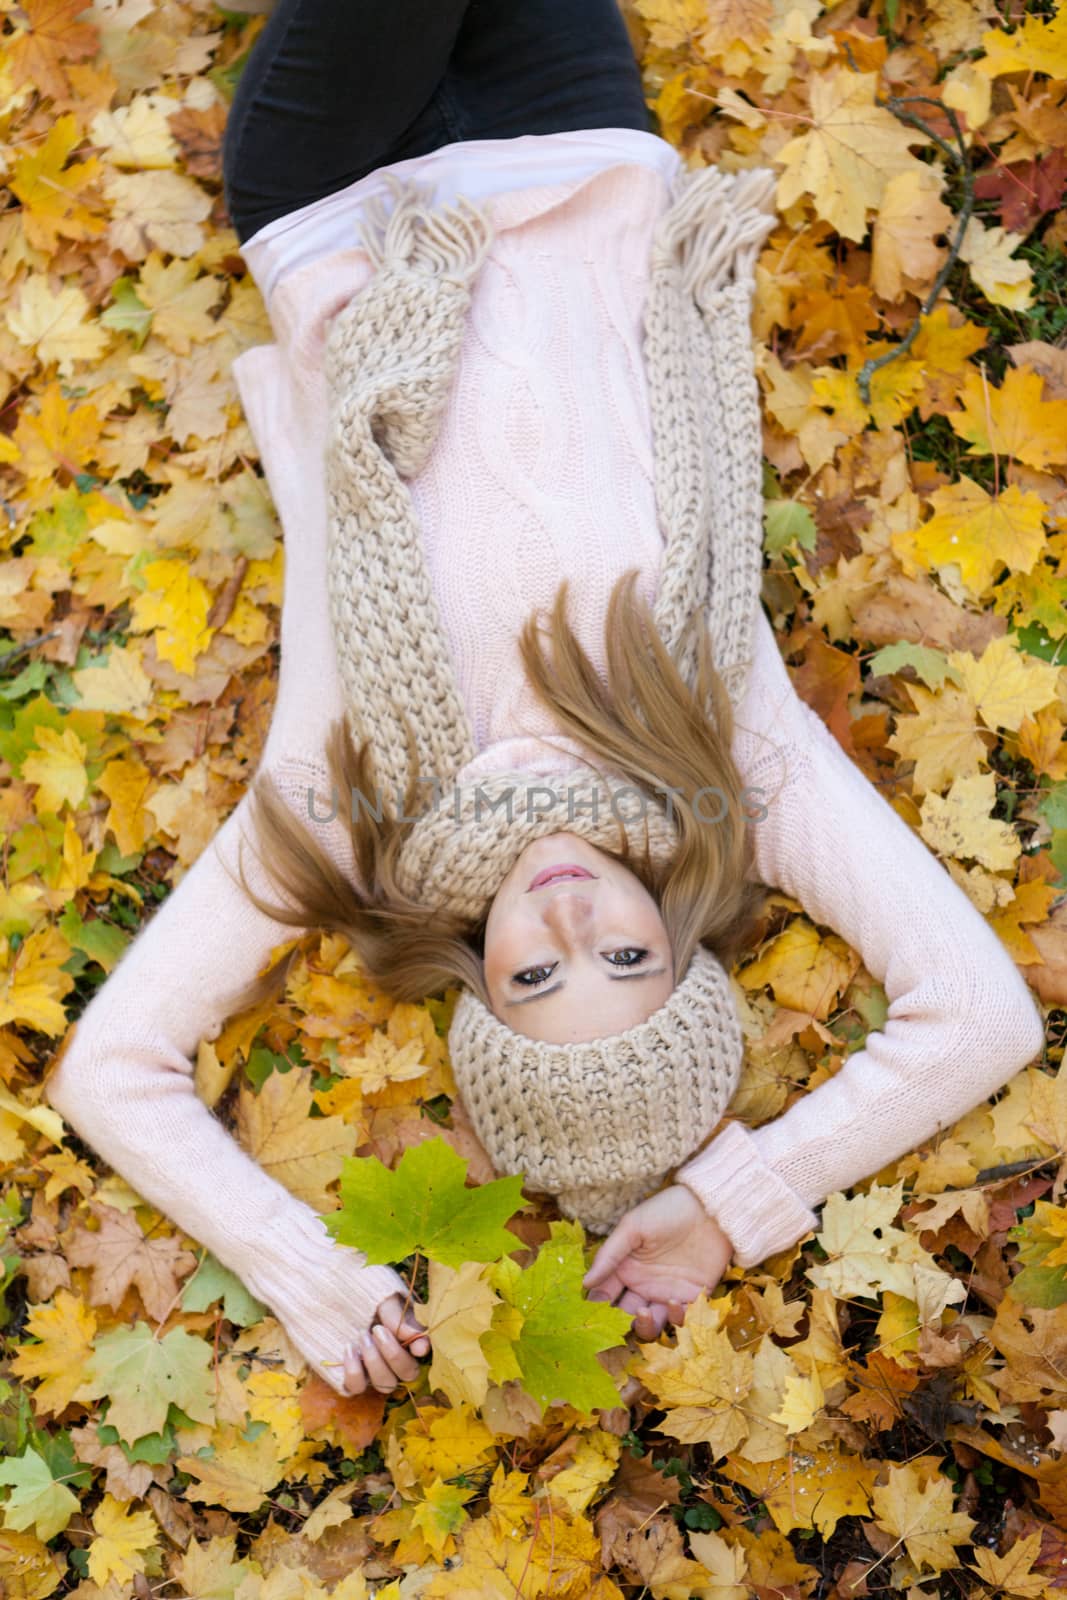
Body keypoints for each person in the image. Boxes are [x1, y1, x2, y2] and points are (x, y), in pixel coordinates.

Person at [46, 0, 1045, 1402]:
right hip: (571, 133)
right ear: (679, 940)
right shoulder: (729, 763)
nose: (575, 921)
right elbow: (980, 1014)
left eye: (534, 976)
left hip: (341, 206)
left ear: (473, 980)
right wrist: (730, 1204)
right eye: (627, 963)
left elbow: (115, 1071)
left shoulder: (350, 814)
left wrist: (307, 1267)